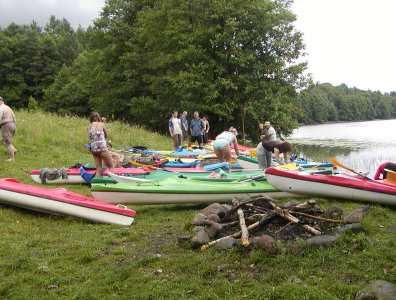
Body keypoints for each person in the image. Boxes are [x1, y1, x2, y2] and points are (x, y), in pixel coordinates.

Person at [87, 112, 114, 178]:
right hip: (102, 148)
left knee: (98, 169)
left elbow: (90, 136)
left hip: (94, 149)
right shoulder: (101, 124)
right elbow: (106, 135)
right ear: (98, 118)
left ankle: (96, 184)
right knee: (111, 166)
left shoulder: (89, 126)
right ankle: (108, 183)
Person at [0, 96, 17, 161]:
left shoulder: (1, 108)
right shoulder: (7, 107)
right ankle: (14, 150)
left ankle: (12, 158)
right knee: (5, 140)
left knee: (7, 142)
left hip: (6, 125)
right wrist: (14, 126)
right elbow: (14, 117)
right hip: (12, 124)